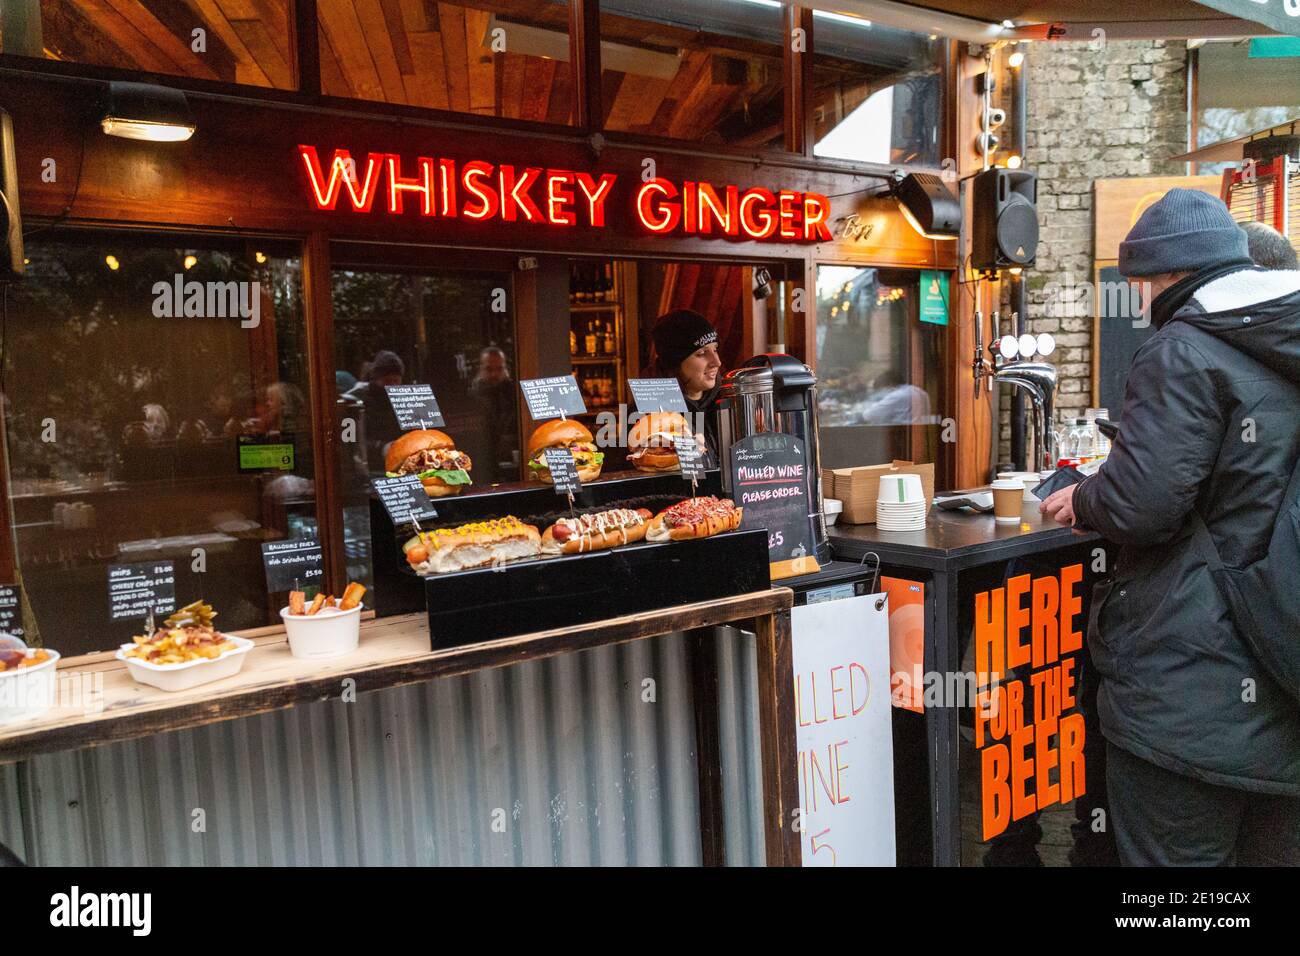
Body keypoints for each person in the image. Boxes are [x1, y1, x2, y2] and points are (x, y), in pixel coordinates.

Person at [1040, 189, 1300, 865]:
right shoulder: (1283, 338)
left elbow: (1143, 505)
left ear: (1165, 276)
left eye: (1140, 284)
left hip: (1190, 689)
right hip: (1284, 677)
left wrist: (1085, 497)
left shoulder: (1183, 349)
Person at [648, 309, 723, 457]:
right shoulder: (649, 413)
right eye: (701, 353)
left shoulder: (726, 400)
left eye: (715, 350)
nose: (717, 362)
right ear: (675, 364)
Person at [343, 349, 405, 473]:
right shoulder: (359, 403)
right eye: (387, 381)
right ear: (376, 379)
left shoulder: (404, 401)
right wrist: (382, 448)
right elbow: (350, 443)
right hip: (373, 469)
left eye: (396, 381)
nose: (392, 386)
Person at [468, 346, 518, 481]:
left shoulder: (514, 394)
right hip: (481, 464)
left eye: (500, 369)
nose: (495, 374)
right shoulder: (471, 396)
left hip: (512, 463)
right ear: (480, 369)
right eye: (489, 369)